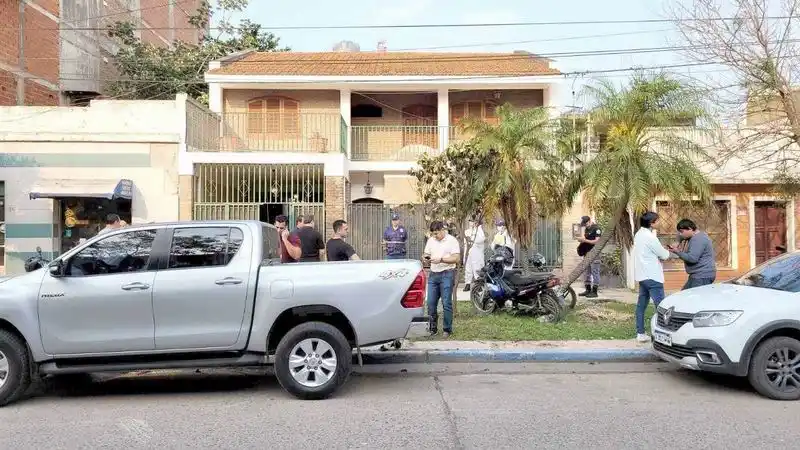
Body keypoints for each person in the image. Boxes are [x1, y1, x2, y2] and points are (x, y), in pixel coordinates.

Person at [633, 211, 671, 343]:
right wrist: (667, 251)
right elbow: (664, 255)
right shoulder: (650, 237)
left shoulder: (638, 235)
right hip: (653, 277)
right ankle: (664, 336)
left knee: (641, 306)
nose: (659, 222)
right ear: (651, 223)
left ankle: (640, 333)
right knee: (661, 307)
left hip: (642, 276)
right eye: (657, 220)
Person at [423, 220, 460, 338]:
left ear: (443, 230)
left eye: (437, 233)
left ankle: (447, 329)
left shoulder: (452, 241)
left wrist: (442, 260)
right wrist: (425, 258)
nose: (435, 236)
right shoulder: (431, 240)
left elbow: (456, 258)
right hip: (433, 274)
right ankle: (432, 328)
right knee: (430, 303)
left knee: (446, 302)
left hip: (447, 273)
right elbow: (425, 254)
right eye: (433, 234)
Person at [668, 218, 716, 290]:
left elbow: (692, 259)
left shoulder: (698, 239)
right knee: (683, 296)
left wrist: (677, 252)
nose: (680, 234)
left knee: (694, 299)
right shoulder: (693, 235)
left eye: (681, 231)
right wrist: (677, 242)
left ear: (690, 229)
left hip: (702, 276)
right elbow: (679, 236)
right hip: (697, 275)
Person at [576, 215, 602, 299]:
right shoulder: (587, 229)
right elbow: (586, 238)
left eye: (585, 223)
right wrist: (581, 239)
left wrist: (585, 240)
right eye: (583, 224)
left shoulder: (597, 228)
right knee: (587, 273)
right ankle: (588, 290)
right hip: (586, 254)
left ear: (589, 221)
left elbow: (596, 241)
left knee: (595, 272)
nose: (585, 225)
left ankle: (594, 292)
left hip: (594, 254)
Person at [463, 217, 486, 292]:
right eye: (470, 221)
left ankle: (478, 285)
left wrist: (473, 239)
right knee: (468, 268)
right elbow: (465, 243)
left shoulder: (479, 231)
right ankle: (467, 283)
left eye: (473, 221)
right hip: (468, 252)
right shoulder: (466, 231)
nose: (471, 223)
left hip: (477, 253)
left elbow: (481, 239)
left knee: (477, 268)